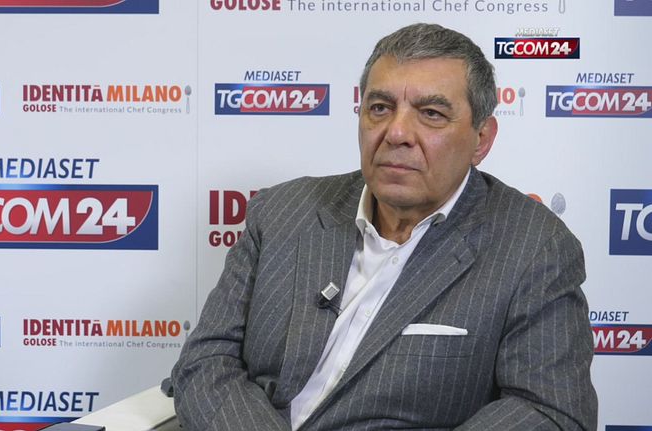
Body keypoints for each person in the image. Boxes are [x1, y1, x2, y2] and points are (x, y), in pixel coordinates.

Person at [171, 23, 597, 430]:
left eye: (431, 114)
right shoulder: (283, 212)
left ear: (481, 139)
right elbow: (205, 361)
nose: (397, 132)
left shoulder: (533, 246)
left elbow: (550, 410)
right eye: (380, 108)